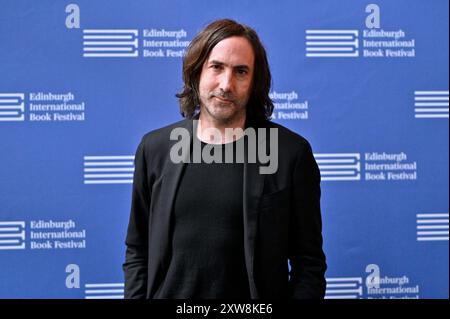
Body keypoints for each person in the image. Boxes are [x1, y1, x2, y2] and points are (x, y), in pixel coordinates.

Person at [123, 19, 326, 299]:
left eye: (241, 72)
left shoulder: (290, 153)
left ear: (254, 83)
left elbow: (309, 265)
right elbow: (137, 250)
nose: (226, 84)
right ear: (197, 73)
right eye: (216, 67)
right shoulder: (155, 149)